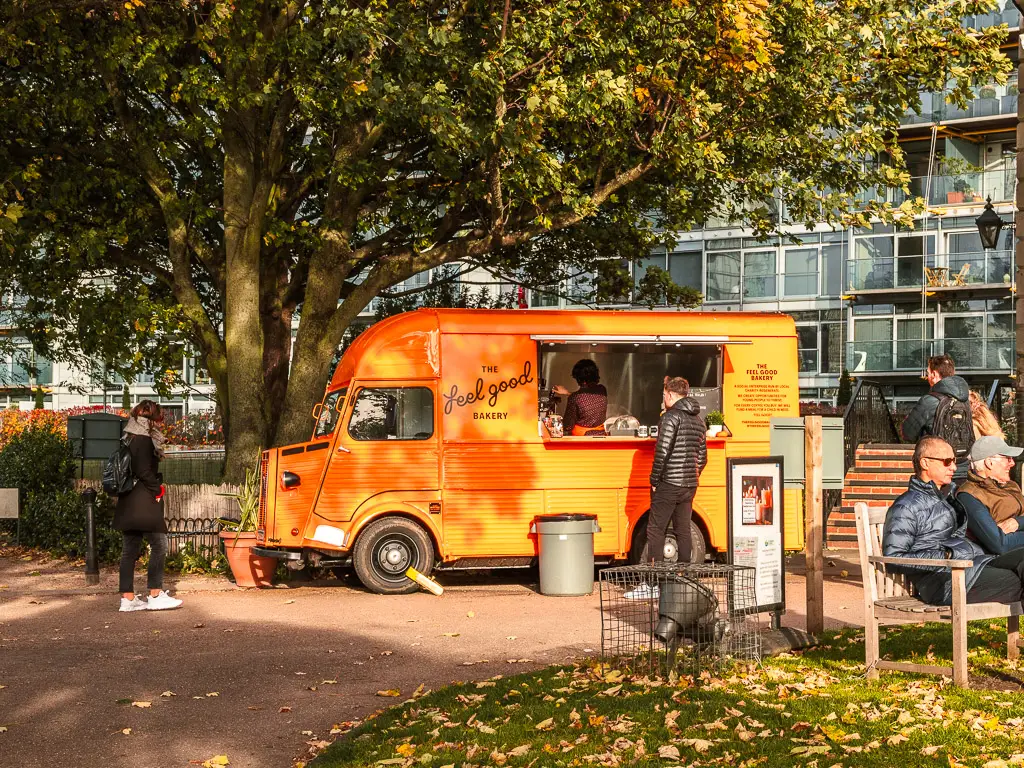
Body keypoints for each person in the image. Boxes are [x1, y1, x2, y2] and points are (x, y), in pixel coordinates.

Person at [882, 436, 1024, 606]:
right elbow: (893, 559)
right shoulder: (906, 506)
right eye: (947, 461)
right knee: (1017, 581)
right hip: (942, 582)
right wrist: (948, 555)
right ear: (925, 463)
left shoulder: (950, 497)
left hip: (974, 564)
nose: (954, 467)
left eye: (954, 461)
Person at [625, 377, 706, 600]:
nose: (663, 399)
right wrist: (692, 474)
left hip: (668, 483)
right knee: (682, 530)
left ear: (670, 395)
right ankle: (685, 580)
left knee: (655, 530)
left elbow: (662, 452)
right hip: (690, 484)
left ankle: (653, 583)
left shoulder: (670, 418)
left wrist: (654, 478)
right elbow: (703, 457)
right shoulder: (698, 420)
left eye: (663, 396)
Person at [113, 400, 182, 612]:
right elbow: (143, 470)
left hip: (129, 500)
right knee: (159, 545)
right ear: (152, 418)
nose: (162, 422)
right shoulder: (143, 440)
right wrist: (158, 490)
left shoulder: (130, 437)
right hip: (143, 498)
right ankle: (155, 594)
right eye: (160, 418)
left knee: (130, 550)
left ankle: (128, 599)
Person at [900, 354, 973, 479]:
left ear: (934, 374)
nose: (927, 376)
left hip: (937, 469)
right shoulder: (965, 401)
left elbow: (907, 433)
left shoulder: (929, 400)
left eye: (928, 372)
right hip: (962, 467)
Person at [957, 435, 1024, 556]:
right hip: (997, 560)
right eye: (1007, 458)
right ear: (989, 463)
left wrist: (1018, 522)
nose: (1012, 463)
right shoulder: (969, 495)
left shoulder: (1011, 486)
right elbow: (1000, 544)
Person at [552, 359, 607, 436]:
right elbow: (588, 397)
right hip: (601, 436)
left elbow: (568, 426)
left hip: (582, 441)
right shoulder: (602, 389)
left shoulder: (575, 398)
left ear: (578, 378)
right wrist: (567, 393)